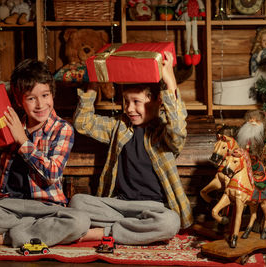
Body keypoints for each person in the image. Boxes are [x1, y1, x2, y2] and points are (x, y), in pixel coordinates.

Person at [0, 59, 90, 248]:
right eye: (31, 98)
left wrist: (22, 141)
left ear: (52, 94)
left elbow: (52, 174)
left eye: (45, 95)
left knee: (79, 221)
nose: (40, 104)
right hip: (7, 205)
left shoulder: (62, 129)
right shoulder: (10, 125)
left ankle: (3, 238)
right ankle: (36, 232)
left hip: (45, 208)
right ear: (19, 101)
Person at [70, 51, 193, 245]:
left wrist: (170, 83)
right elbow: (82, 123)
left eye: (137, 102)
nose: (129, 109)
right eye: (126, 101)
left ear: (157, 101)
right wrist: (93, 84)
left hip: (154, 208)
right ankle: (130, 229)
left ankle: (105, 231)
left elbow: (178, 129)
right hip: (118, 205)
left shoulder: (163, 133)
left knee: (170, 223)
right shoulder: (119, 126)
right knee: (77, 202)